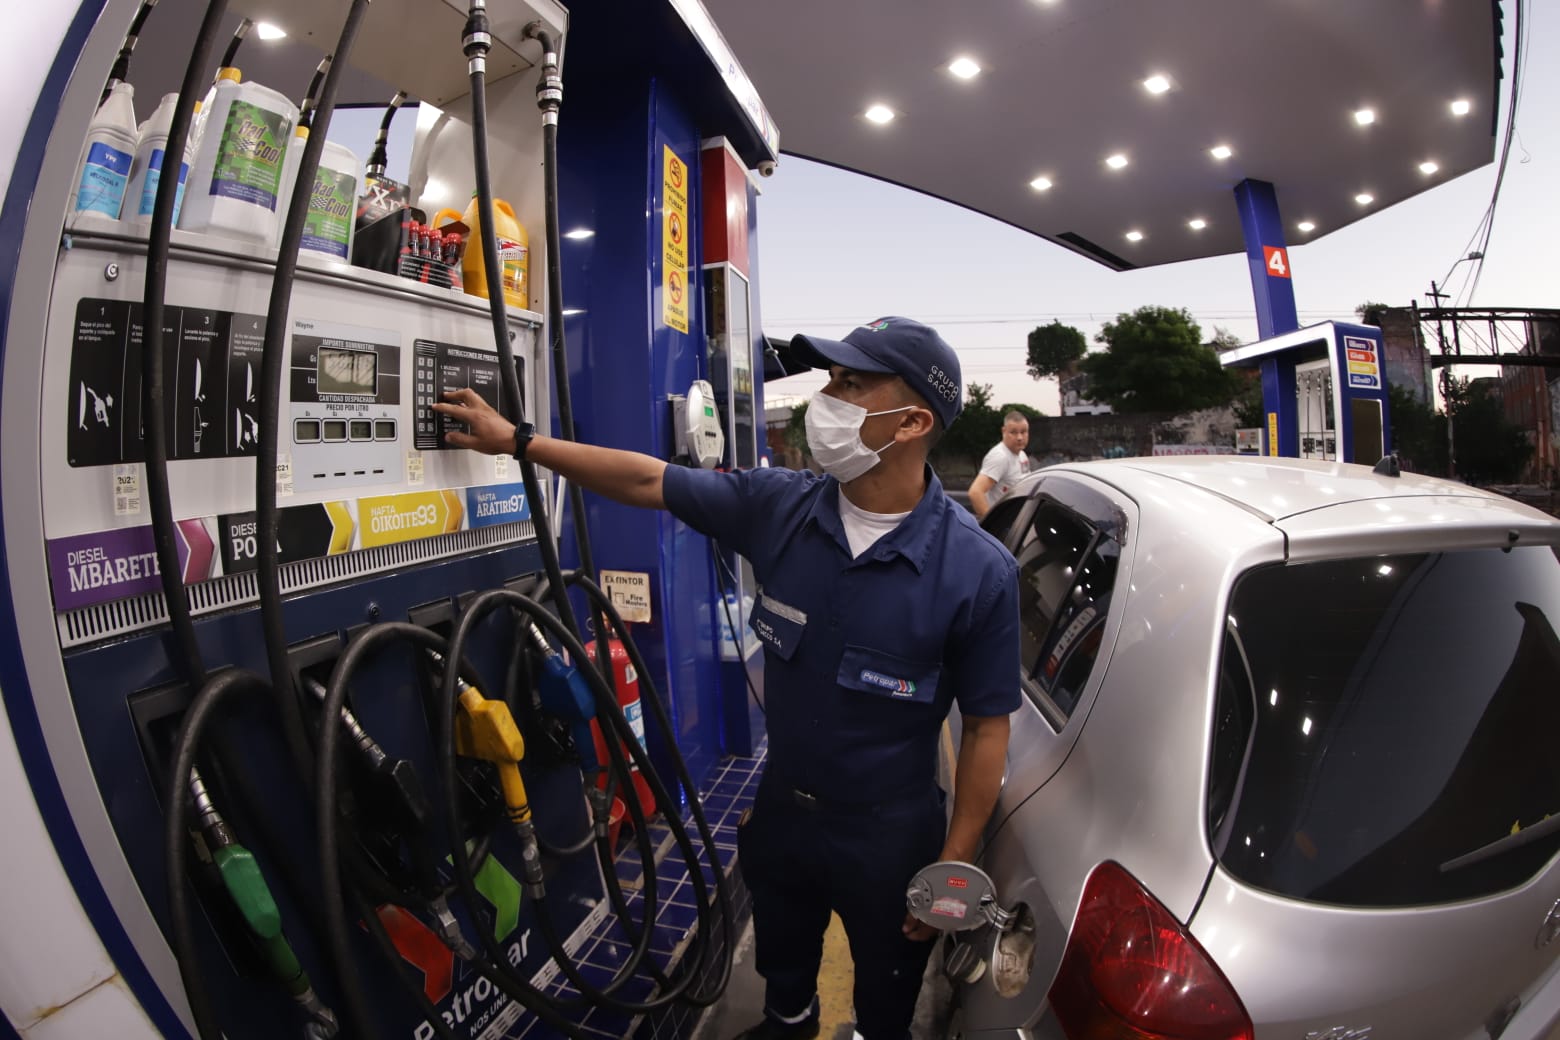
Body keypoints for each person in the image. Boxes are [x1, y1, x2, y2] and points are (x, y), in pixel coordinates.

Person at [434, 316, 1020, 1040]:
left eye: (850, 384)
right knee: (784, 967)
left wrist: (954, 863)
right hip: (784, 815)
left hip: (891, 837)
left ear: (912, 422)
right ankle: (789, 1024)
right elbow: (649, 478)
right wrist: (520, 442)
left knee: (887, 995)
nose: (824, 400)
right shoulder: (779, 507)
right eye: (830, 379)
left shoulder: (978, 573)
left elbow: (989, 727)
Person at [967, 411, 1032, 519]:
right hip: (1004, 527)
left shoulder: (1022, 454)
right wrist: (991, 527)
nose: (1020, 437)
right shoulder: (1000, 457)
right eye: (1013, 432)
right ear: (1004, 431)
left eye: (1024, 432)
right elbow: (975, 492)